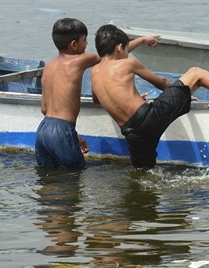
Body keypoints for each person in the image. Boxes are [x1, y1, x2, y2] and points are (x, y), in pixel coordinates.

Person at [90, 24, 209, 169]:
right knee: (195, 74)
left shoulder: (94, 73)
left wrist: (129, 98)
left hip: (132, 134)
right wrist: (183, 93)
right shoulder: (127, 63)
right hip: (149, 117)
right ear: (120, 48)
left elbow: (97, 100)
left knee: (143, 173)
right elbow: (161, 82)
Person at [35, 18, 159, 169]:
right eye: (85, 40)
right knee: (74, 177)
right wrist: (141, 40)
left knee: (48, 179)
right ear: (74, 45)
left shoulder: (48, 66)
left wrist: (73, 136)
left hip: (42, 131)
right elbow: (112, 54)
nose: (87, 44)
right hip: (62, 130)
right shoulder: (81, 60)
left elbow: (44, 109)